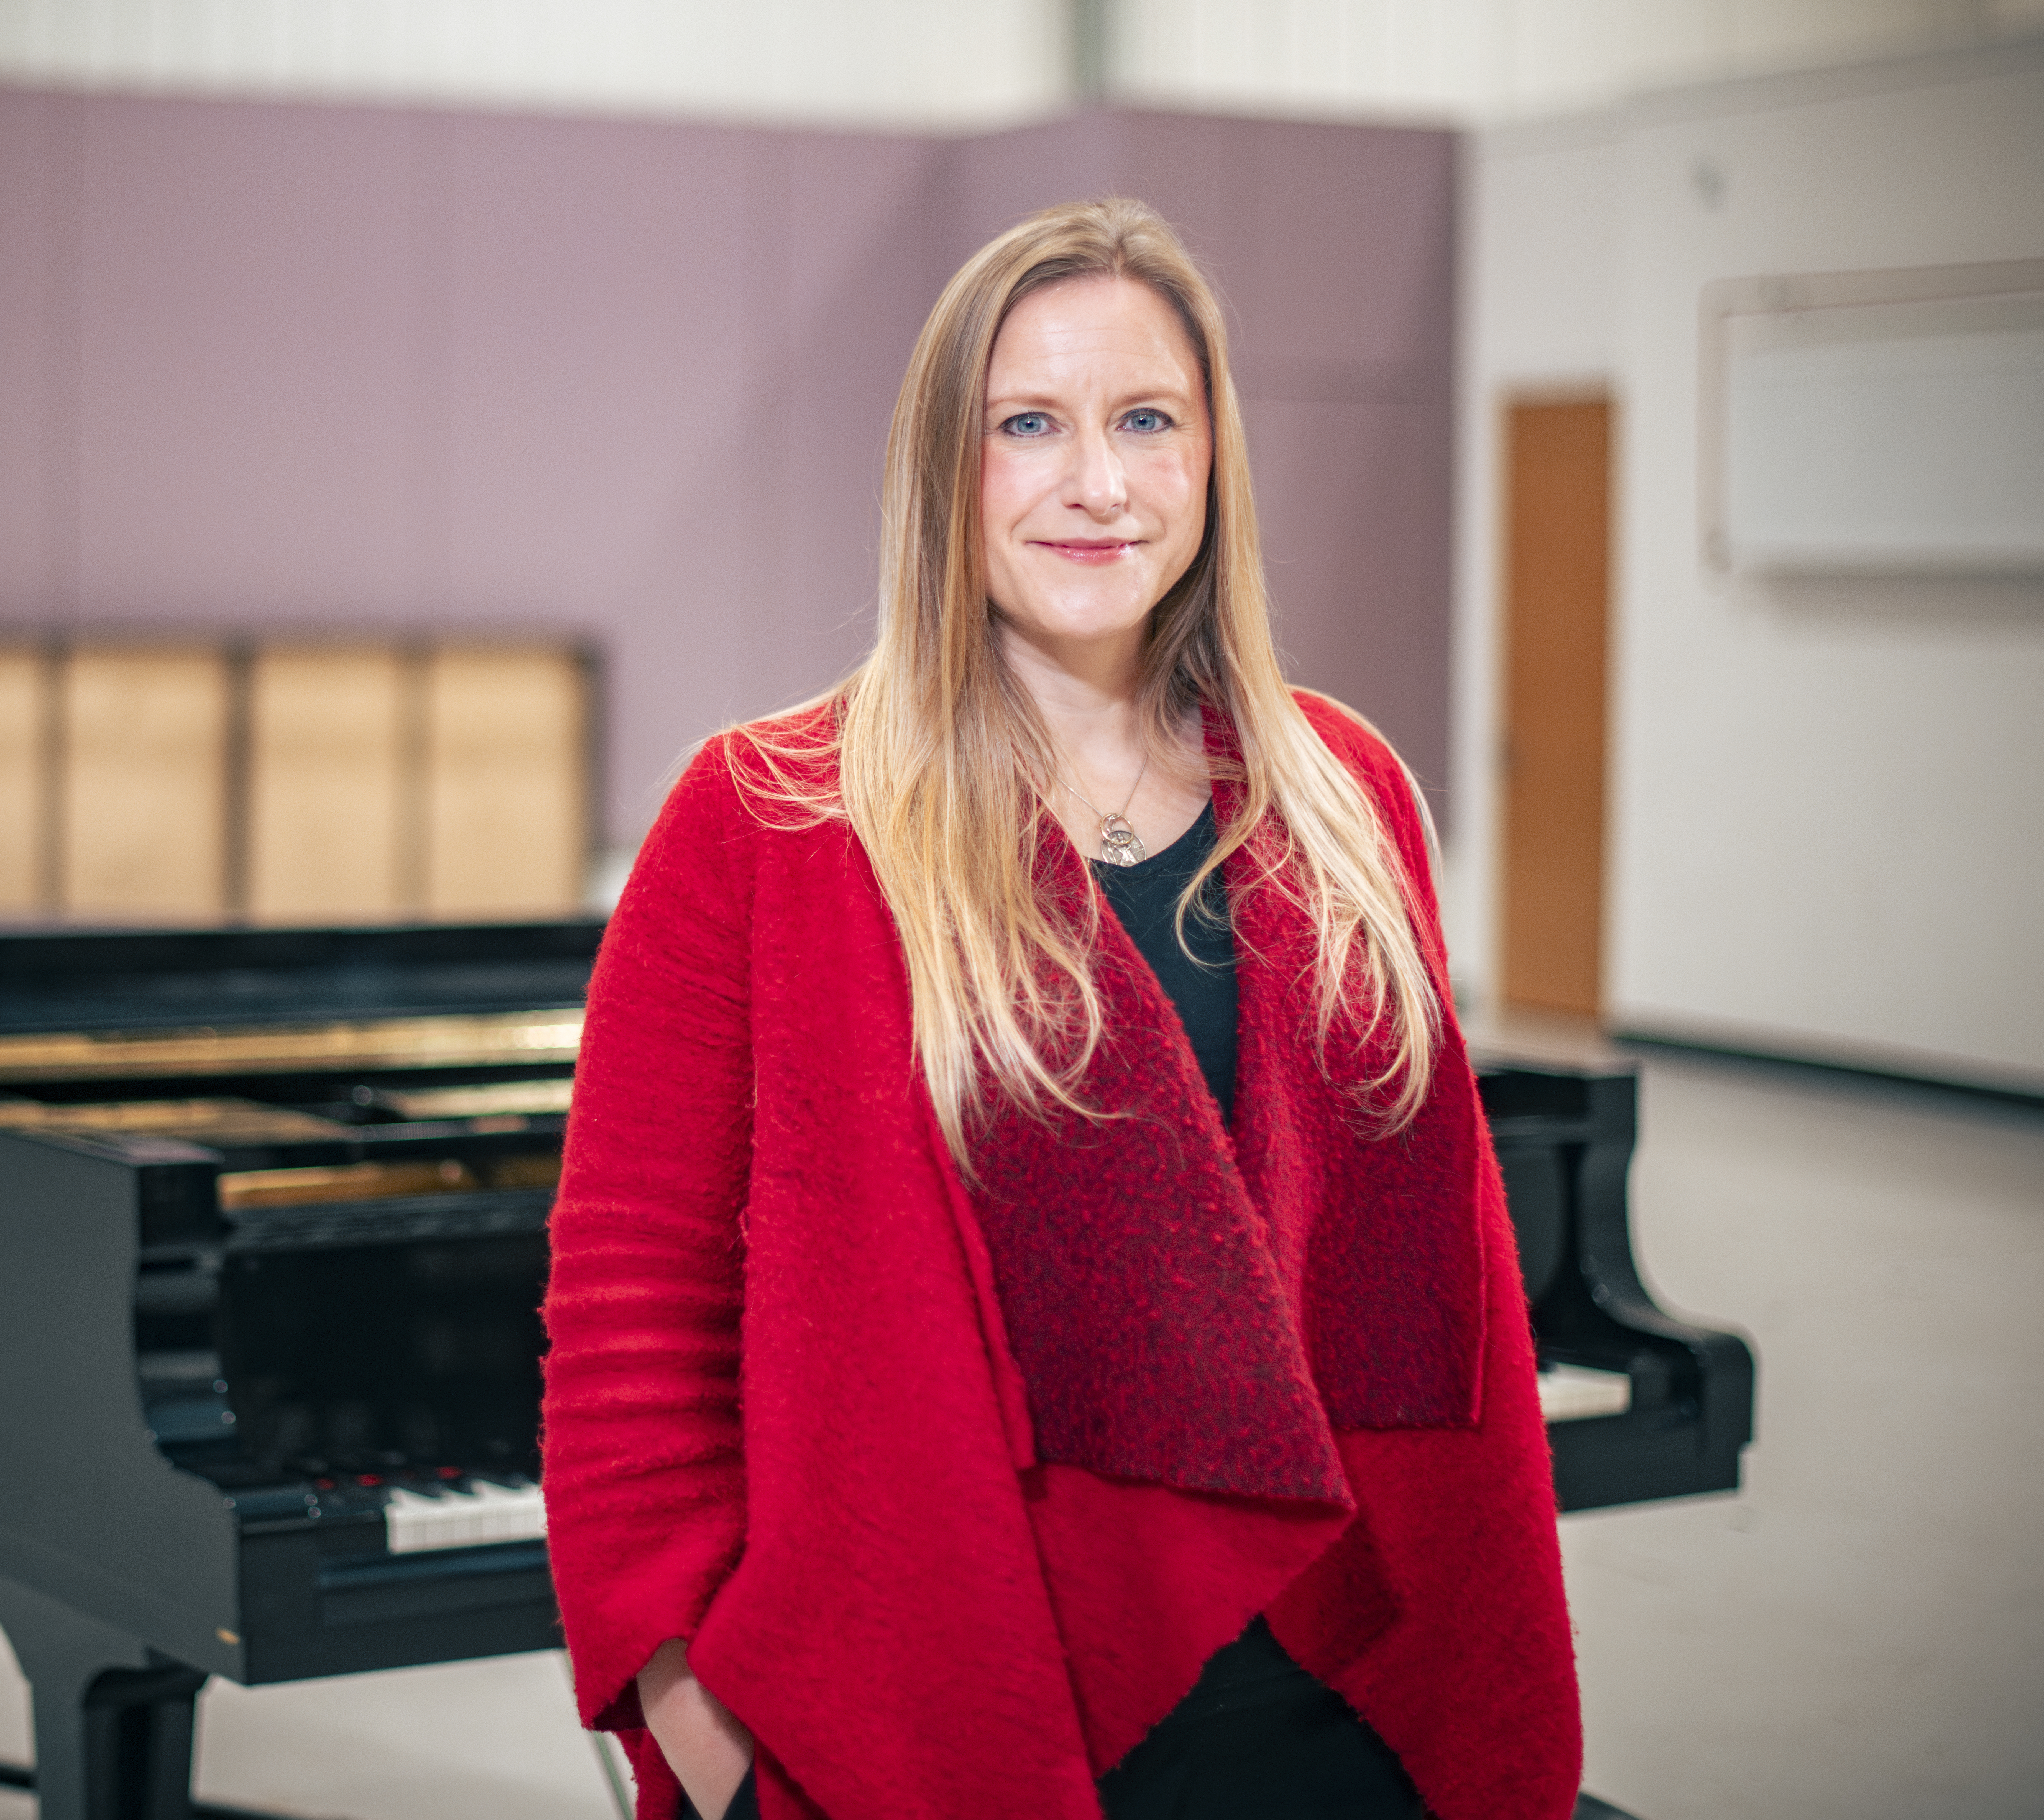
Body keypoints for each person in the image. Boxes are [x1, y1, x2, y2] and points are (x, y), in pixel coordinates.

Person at [540, 197, 1580, 1820]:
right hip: (929, 1695)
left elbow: (1437, 1289)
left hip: (1333, 1685)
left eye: (1145, 420)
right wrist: (685, 1697)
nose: (1096, 482)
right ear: (943, 471)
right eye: (1028, 423)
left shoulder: (1341, 789)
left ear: (1212, 460)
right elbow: (630, 1306)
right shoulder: (764, 816)